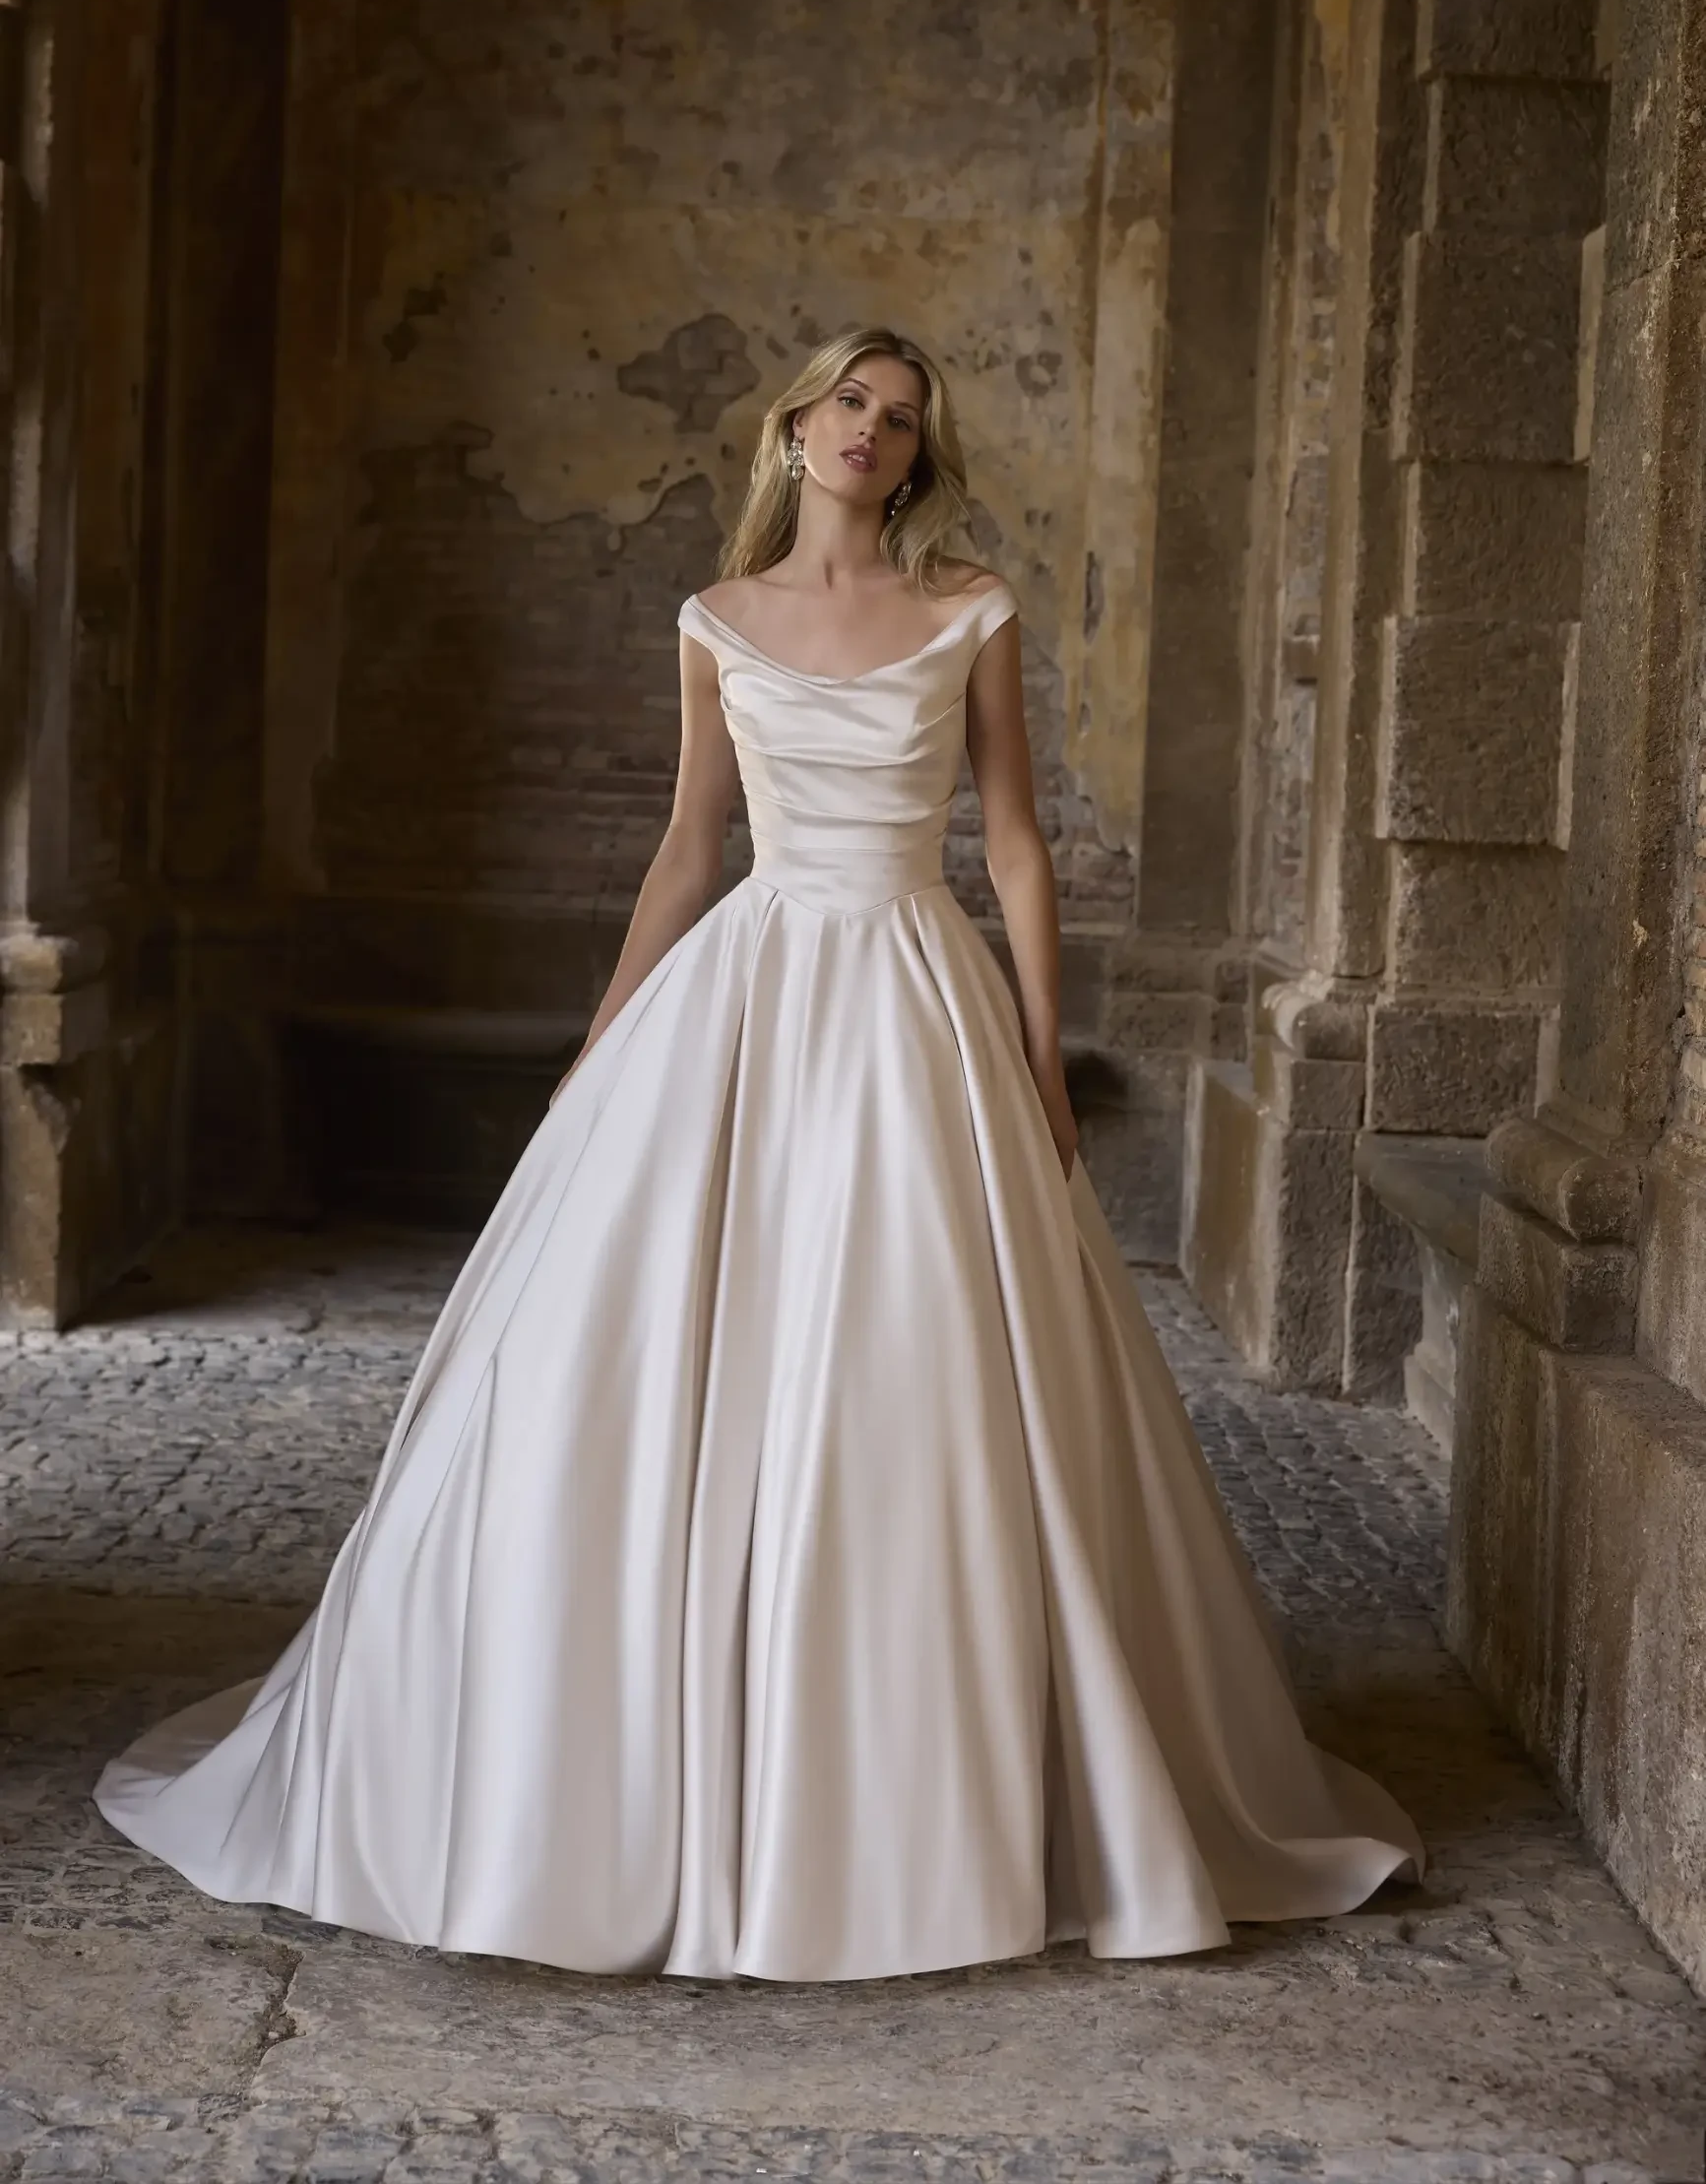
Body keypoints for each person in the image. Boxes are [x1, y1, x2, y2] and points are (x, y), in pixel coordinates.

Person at [94, 324, 1422, 1983]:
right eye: (851, 403)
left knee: (914, 1367)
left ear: (917, 458)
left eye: (902, 418)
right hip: (749, 986)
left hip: (914, 995)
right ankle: (631, 1775)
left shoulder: (972, 609)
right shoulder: (715, 622)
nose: (874, 431)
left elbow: (1011, 839)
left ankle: (918, 1788)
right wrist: (603, 1040)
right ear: (793, 430)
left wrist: (1037, 1044)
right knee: (652, 1364)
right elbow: (689, 841)